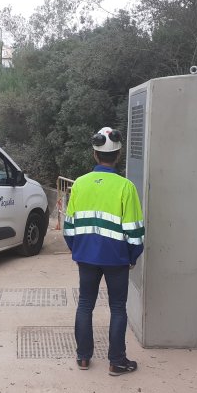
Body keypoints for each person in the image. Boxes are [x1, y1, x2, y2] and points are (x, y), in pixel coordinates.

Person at [63, 127, 145, 376]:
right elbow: (135, 231)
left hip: (86, 256)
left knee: (85, 304)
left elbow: (69, 227)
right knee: (118, 308)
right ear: (118, 155)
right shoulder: (126, 187)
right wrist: (132, 257)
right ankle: (116, 361)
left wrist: (78, 250)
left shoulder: (79, 184)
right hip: (117, 258)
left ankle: (83, 357)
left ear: (94, 154)